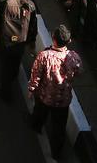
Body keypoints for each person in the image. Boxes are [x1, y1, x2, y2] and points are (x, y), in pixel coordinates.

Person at [26, 24, 82, 159]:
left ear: (53, 38)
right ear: (69, 41)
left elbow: (36, 75)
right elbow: (79, 72)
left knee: (39, 114)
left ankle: (36, 126)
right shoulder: (74, 57)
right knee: (59, 128)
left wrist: (31, 89)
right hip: (63, 99)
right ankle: (56, 153)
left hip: (44, 96)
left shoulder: (45, 56)